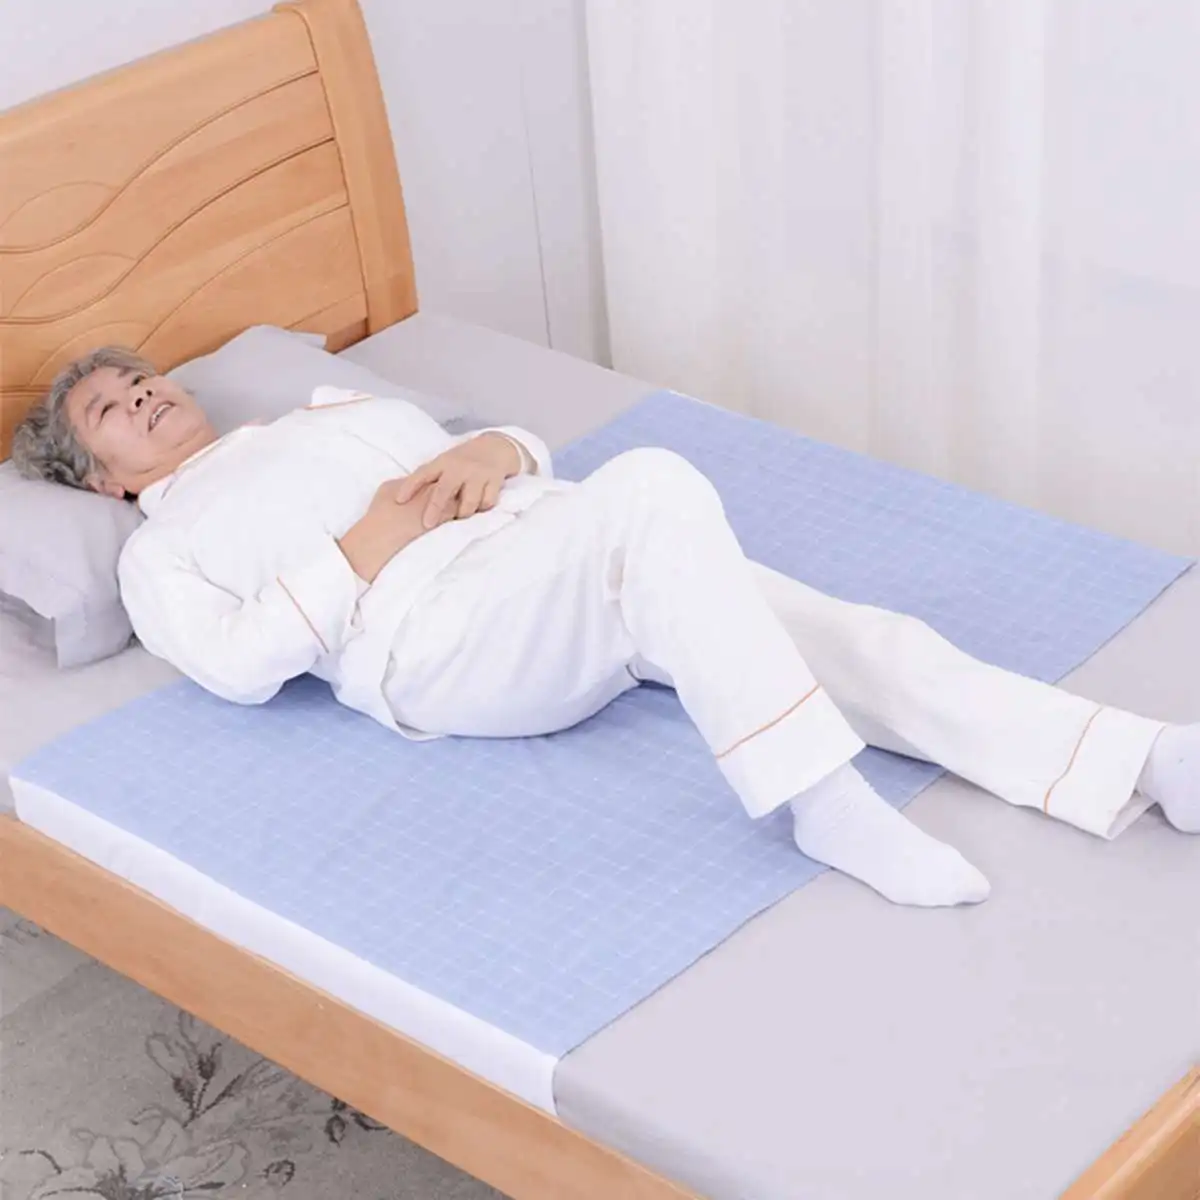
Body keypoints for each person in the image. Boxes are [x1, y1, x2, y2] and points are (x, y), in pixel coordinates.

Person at [12, 346, 1199, 909]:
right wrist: (361, 545)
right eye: (111, 408)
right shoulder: (161, 551)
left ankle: (1140, 759)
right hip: (444, 643)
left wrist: (500, 446)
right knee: (655, 482)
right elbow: (234, 668)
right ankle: (821, 800)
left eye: (143, 376)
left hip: (557, 552)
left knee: (842, 634)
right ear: (101, 477)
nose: (144, 392)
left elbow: (492, 456)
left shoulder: (325, 412)